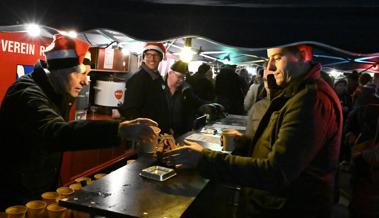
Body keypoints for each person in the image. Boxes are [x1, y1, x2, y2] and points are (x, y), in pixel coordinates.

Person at [163, 44, 343, 217]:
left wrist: (205, 159)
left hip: (289, 209)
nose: (270, 67)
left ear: (302, 55)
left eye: (278, 58)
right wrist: (249, 142)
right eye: (269, 59)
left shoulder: (309, 101)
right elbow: (283, 148)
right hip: (276, 205)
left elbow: (277, 172)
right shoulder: (295, 93)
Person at [0, 34, 158, 210]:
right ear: (59, 71)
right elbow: (55, 131)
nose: (85, 81)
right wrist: (118, 130)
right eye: (81, 73)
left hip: (38, 185)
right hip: (14, 193)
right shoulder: (26, 94)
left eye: (88, 75)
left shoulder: (57, 89)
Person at [119, 43, 172, 133]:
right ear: (144, 57)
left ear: (161, 58)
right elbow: (130, 110)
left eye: (155, 55)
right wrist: (142, 132)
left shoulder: (158, 78)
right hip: (146, 135)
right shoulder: (138, 79)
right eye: (148, 55)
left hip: (159, 132)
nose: (152, 58)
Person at [164, 60, 209, 136]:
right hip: (162, 133)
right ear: (170, 73)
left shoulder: (186, 90)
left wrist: (212, 106)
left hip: (181, 133)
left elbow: (198, 102)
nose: (181, 80)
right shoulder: (158, 89)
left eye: (183, 77)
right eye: (179, 77)